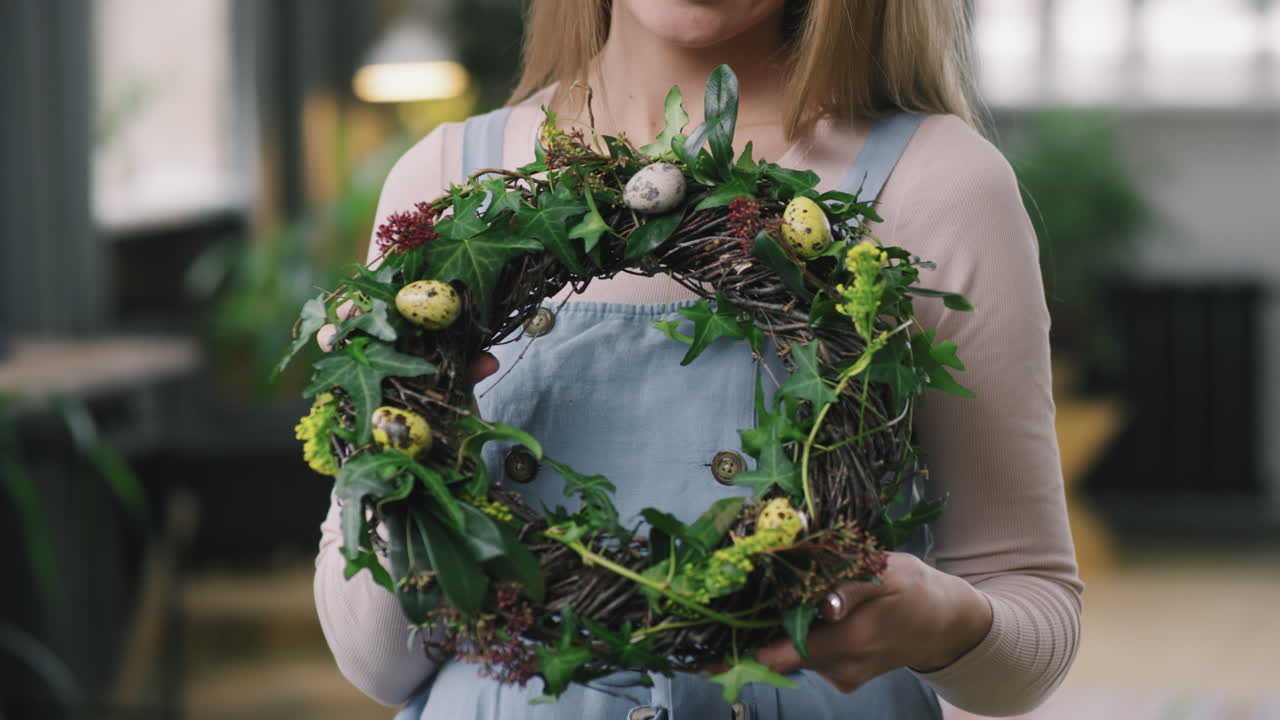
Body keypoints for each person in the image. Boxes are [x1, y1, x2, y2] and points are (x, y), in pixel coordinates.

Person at [314, 1, 1083, 718]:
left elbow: (1031, 606)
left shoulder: (939, 184)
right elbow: (377, 663)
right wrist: (397, 453)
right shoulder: (452, 182)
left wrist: (944, 625)